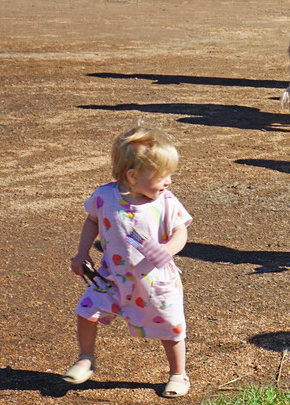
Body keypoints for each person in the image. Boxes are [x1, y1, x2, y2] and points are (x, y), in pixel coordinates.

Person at [63, 121, 192, 398]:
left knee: (171, 326)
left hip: (154, 280)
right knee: (87, 311)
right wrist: (82, 252)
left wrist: (168, 249)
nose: (169, 181)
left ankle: (178, 373)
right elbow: (91, 221)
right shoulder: (104, 196)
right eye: (162, 175)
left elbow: (181, 231)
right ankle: (86, 358)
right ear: (132, 177)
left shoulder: (165, 201)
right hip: (112, 275)